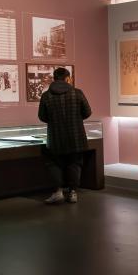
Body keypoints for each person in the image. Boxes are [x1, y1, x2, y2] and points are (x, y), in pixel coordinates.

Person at [38, 67, 92, 204]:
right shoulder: (77, 93)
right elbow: (87, 112)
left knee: (54, 164)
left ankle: (58, 192)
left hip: (55, 137)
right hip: (76, 136)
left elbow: (42, 116)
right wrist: (75, 118)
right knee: (75, 163)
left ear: (54, 78)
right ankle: (73, 193)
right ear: (68, 78)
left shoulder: (46, 95)